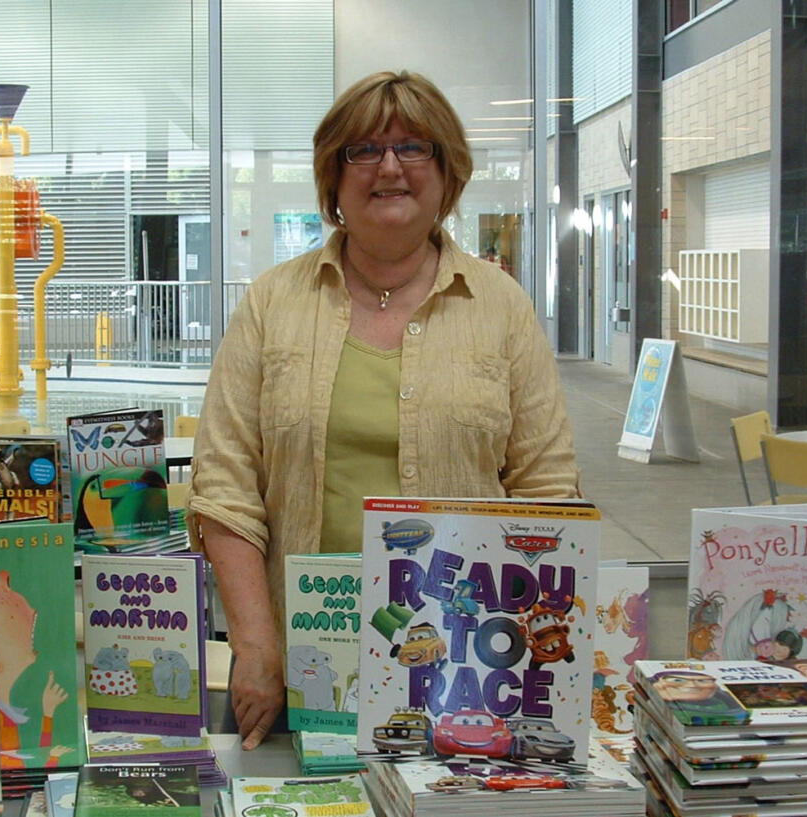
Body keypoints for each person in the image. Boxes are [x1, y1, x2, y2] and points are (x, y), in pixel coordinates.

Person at [186, 70, 580, 749]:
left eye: (414, 147)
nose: (390, 166)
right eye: (363, 150)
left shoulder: (502, 309)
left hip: (467, 677)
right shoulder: (272, 304)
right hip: (292, 674)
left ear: (446, 171)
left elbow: (547, 492)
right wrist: (253, 644)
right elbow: (224, 487)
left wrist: (533, 654)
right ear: (333, 179)